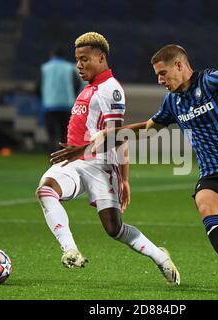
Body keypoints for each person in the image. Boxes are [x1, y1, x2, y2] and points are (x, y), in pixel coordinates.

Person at [51, 44, 218, 293]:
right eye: (157, 76)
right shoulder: (172, 102)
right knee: (206, 206)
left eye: (163, 73)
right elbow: (149, 127)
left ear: (179, 65)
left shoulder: (209, 80)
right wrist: (101, 138)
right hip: (213, 175)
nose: (160, 80)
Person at [36, 33, 180, 285]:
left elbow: (118, 136)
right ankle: (69, 249)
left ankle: (159, 255)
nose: (79, 65)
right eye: (77, 60)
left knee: (114, 229)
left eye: (84, 59)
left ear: (101, 58)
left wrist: (124, 179)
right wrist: (77, 152)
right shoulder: (89, 88)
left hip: (100, 165)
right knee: (46, 191)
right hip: (73, 162)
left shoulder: (111, 90)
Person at [39, 46, 84, 154]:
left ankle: (52, 159)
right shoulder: (69, 68)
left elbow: (38, 86)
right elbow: (78, 84)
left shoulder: (45, 68)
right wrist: (72, 96)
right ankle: (63, 158)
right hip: (67, 105)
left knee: (52, 135)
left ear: (52, 54)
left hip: (49, 106)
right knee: (65, 135)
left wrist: (45, 97)